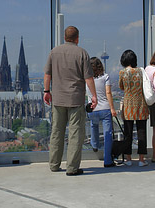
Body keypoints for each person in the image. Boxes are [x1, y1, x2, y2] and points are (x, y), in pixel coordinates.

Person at [44, 26, 97, 176]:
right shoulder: (82, 53)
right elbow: (88, 78)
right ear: (77, 38)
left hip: (58, 99)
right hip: (75, 99)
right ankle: (72, 168)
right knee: (75, 134)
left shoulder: (54, 52)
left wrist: (46, 91)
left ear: (64, 37)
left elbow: (47, 74)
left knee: (56, 132)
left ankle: (54, 164)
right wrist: (94, 96)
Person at [118, 49, 149, 167]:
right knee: (141, 132)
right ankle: (141, 159)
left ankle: (128, 158)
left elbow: (121, 87)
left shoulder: (122, 73)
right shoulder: (140, 72)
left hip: (128, 105)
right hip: (141, 104)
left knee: (128, 133)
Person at [86, 57, 116, 167]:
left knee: (94, 125)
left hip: (92, 108)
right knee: (107, 134)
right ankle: (107, 160)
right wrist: (112, 108)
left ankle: (94, 145)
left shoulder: (87, 78)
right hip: (105, 108)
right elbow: (108, 93)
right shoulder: (105, 77)